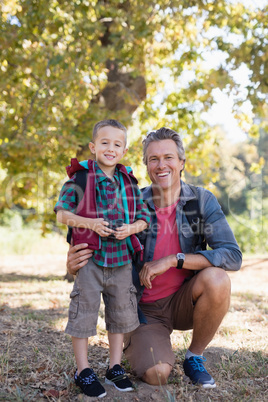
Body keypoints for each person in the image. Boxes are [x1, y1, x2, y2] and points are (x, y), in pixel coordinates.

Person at [66, 127, 242, 390]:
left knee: (217, 278)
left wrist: (174, 259)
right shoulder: (129, 201)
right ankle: (150, 346)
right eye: (153, 159)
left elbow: (232, 255)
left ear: (182, 162)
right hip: (142, 310)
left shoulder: (202, 201)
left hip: (185, 299)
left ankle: (194, 356)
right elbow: (97, 241)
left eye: (169, 157)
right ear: (146, 165)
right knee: (157, 374)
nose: (162, 165)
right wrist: (72, 265)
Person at [55, 119, 150, 398]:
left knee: (120, 312)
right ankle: (83, 370)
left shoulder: (130, 183)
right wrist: (91, 224)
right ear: (93, 146)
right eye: (104, 143)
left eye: (117, 144)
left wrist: (130, 229)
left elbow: (144, 219)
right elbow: (62, 213)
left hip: (121, 260)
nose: (110, 148)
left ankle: (115, 367)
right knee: (84, 311)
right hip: (90, 259)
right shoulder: (80, 179)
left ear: (124, 150)